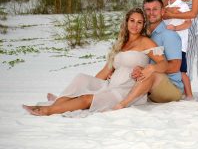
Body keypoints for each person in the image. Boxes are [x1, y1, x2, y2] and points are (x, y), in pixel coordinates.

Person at [22, 7, 168, 116]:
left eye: (139, 22)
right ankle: (60, 103)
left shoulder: (146, 42)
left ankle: (48, 110)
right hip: (111, 84)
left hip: (125, 91)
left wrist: (149, 69)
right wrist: (91, 86)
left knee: (86, 98)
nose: (135, 25)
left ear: (143, 25)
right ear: (126, 22)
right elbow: (106, 71)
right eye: (132, 21)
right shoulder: (121, 43)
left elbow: (164, 64)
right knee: (81, 79)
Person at [113, 0, 184, 109]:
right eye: (147, 9)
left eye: (155, 9)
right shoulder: (144, 34)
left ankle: (121, 105)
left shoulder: (169, 35)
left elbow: (175, 66)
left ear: (162, 11)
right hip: (146, 86)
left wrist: (149, 69)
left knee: (151, 73)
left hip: (171, 87)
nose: (151, 13)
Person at [161, 0, 193, 100]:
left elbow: (188, 23)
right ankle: (180, 92)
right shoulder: (165, 8)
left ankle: (189, 94)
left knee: (181, 71)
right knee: (170, 70)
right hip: (168, 45)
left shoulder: (182, 6)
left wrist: (175, 28)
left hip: (180, 45)